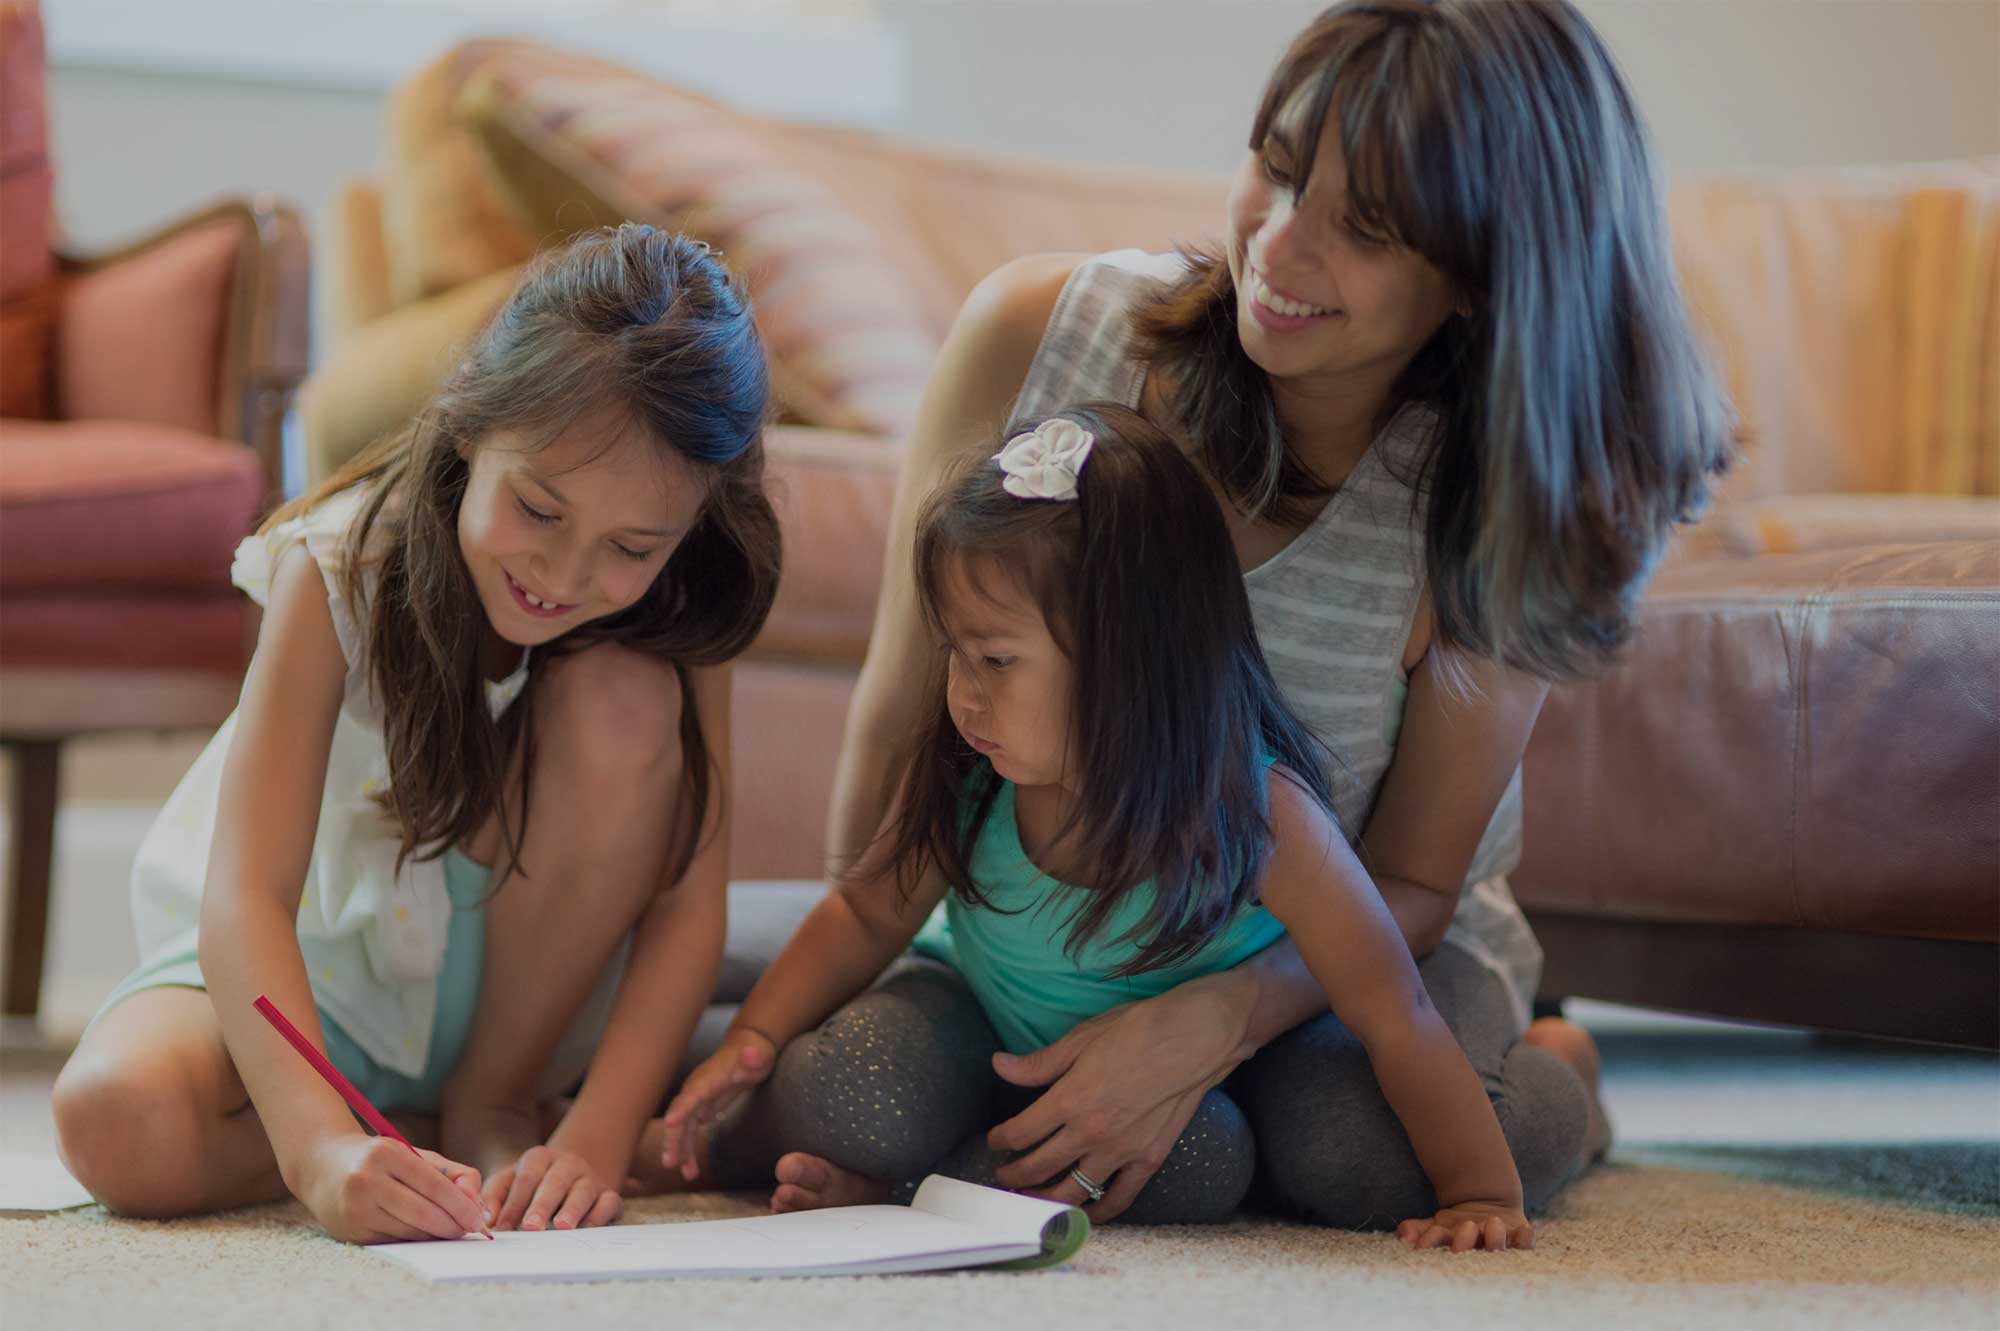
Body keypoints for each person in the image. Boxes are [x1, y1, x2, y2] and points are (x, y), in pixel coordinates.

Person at [798, 0, 1732, 1229]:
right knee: (856, 1091)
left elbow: (1407, 880)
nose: (1277, 252)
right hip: (1039, 945)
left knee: (1350, 1153)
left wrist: (1210, 1017)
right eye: (1276, 170)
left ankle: (1563, 1069)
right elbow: (899, 718)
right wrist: (853, 991)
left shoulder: (1506, 494)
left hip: (1351, 959)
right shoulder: (1034, 337)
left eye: (1366, 228)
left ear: (1479, 272)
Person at [51, 225, 783, 1244]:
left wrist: (600, 1138)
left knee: (620, 695)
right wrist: (314, 1152)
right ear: (476, 421)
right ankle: (407, 1131)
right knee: (112, 1118)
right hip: (309, 978)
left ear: (690, 528)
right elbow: (246, 893)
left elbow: (685, 908)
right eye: (538, 507)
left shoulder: (687, 606)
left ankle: (494, 1103)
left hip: (517, 1005)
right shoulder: (336, 565)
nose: (567, 575)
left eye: (630, 546)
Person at [664, 407, 1542, 1249]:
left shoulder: (1259, 814)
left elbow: (1396, 1010)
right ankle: (783, 1155)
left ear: (1133, 657)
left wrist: (1480, 1192)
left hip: (1174, 1089)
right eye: (956, 654)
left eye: (997, 659)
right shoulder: (975, 771)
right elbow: (865, 915)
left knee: (1206, 1158)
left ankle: (906, 1195)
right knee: (845, 1082)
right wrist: (757, 1037)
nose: (965, 695)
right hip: (982, 1019)